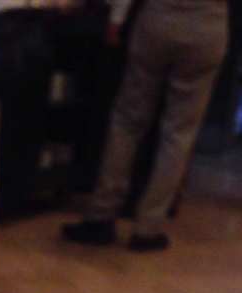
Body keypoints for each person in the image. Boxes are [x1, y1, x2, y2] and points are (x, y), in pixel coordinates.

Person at [62, 0, 229, 250]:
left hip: (158, 17)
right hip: (208, 24)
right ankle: (148, 227)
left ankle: (101, 214)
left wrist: (117, 19)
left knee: (128, 121)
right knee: (178, 133)